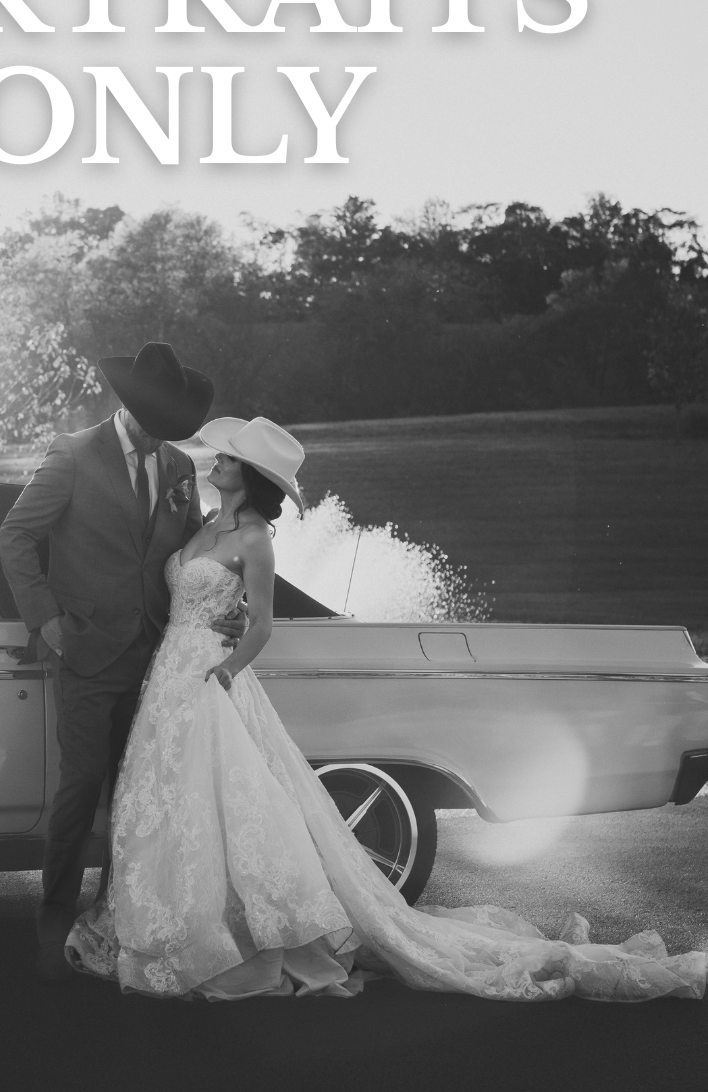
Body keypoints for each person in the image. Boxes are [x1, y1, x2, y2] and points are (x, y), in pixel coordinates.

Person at [65, 415, 707, 1002]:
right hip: (168, 679)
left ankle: (236, 940)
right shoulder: (206, 521)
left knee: (222, 804)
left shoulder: (255, 538)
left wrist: (226, 671)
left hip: (208, 680)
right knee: (169, 803)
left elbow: (261, 625)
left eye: (230, 460)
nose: (219, 464)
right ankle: (170, 921)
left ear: (250, 476)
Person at [0, 342, 245, 985]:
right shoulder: (73, 455)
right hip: (84, 652)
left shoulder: (180, 467)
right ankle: (54, 917)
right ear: (128, 406)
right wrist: (45, 620)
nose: (162, 436)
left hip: (158, 658)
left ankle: (119, 913)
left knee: (139, 792)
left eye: (171, 428)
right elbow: (15, 534)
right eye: (154, 423)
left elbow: (195, 552)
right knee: (81, 787)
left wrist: (232, 604)